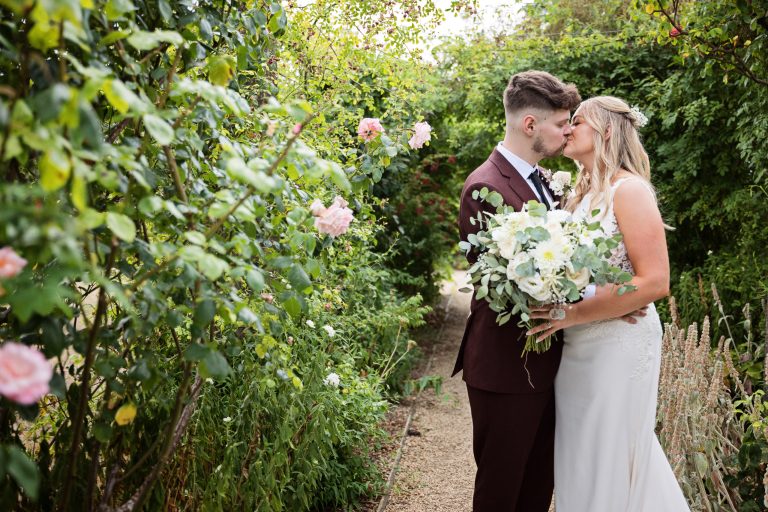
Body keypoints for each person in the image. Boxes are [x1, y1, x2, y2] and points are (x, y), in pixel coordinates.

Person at [528, 96, 690, 510]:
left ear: (606, 131)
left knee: (611, 452)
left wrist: (574, 313)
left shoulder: (629, 190)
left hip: (620, 343)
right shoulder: (580, 196)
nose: (567, 130)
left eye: (577, 122)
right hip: (579, 347)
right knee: (580, 454)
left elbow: (654, 281)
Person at [453, 70, 580, 511]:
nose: (569, 131)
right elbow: (507, 289)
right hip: (507, 368)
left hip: (547, 365)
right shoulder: (485, 186)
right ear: (530, 125)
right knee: (500, 493)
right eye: (562, 123)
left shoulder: (541, 179)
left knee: (535, 490)